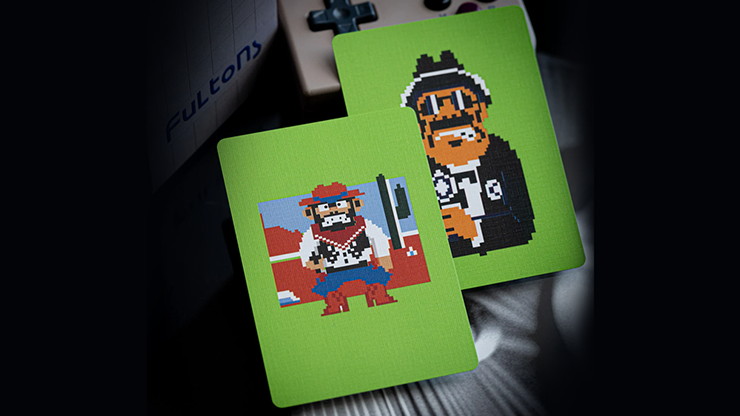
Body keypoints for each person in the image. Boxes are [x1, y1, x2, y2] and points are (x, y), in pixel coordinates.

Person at [400, 50, 535, 257]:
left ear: (481, 109)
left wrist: (474, 230)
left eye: (461, 103)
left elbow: (525, 223)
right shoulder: (417, 168)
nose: (447, 112)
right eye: (431, 108)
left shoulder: (502, 155)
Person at [298, 182, 397, 316]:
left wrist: (383, 257)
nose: (333, 210)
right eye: (325, 207)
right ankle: (334, 306)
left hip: (363, 265)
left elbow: (379, 239)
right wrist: (313, 264)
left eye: (339, 204)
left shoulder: (363, 224)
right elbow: (306, 251)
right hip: (333, 271)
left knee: (376, 281)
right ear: (312, 212)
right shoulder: (313, 233)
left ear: (353, 204)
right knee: (330, 289)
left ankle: (380, 297)